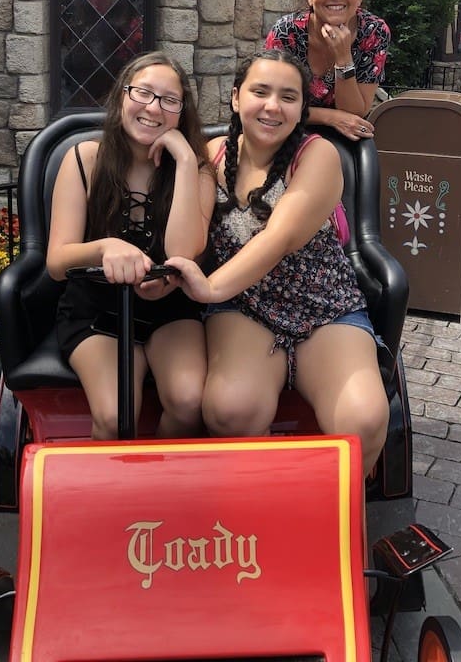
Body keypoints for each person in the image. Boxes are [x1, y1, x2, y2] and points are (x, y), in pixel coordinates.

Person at [165, 49, 390, 477]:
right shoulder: (212, 156)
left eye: (288, 97)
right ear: (235, 98)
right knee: (231, 410)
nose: (272, 106)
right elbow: (188, 243)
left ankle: (329, 523)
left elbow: (280, 237)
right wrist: (183, 161)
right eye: (260, 92)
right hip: (244, 304)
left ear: (302, 108)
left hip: (324, 305)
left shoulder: (318, 155)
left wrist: (210, 287)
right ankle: (259, 512)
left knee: (362, 420)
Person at [46, 51, 216, 439]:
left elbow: (184, 250)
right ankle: (110, 491)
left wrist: (187, 162)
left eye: (169, 100)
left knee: (189, 401)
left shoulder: (198, 171)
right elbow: (57, 262)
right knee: (115, 416)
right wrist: (105, 247)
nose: (153, 109)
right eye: (143, 93)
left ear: (181, 112)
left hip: (169, 310)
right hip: (97, 309)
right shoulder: (85, 159)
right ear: (121, 96)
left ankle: (158, 487)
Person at [264, 0, 390, 141]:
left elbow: (355, 112)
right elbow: (270, 104)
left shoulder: (373, 32)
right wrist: (329, 117)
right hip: (286, 134)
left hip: (344, 141)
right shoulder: (286, 33)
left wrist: (343, 58)